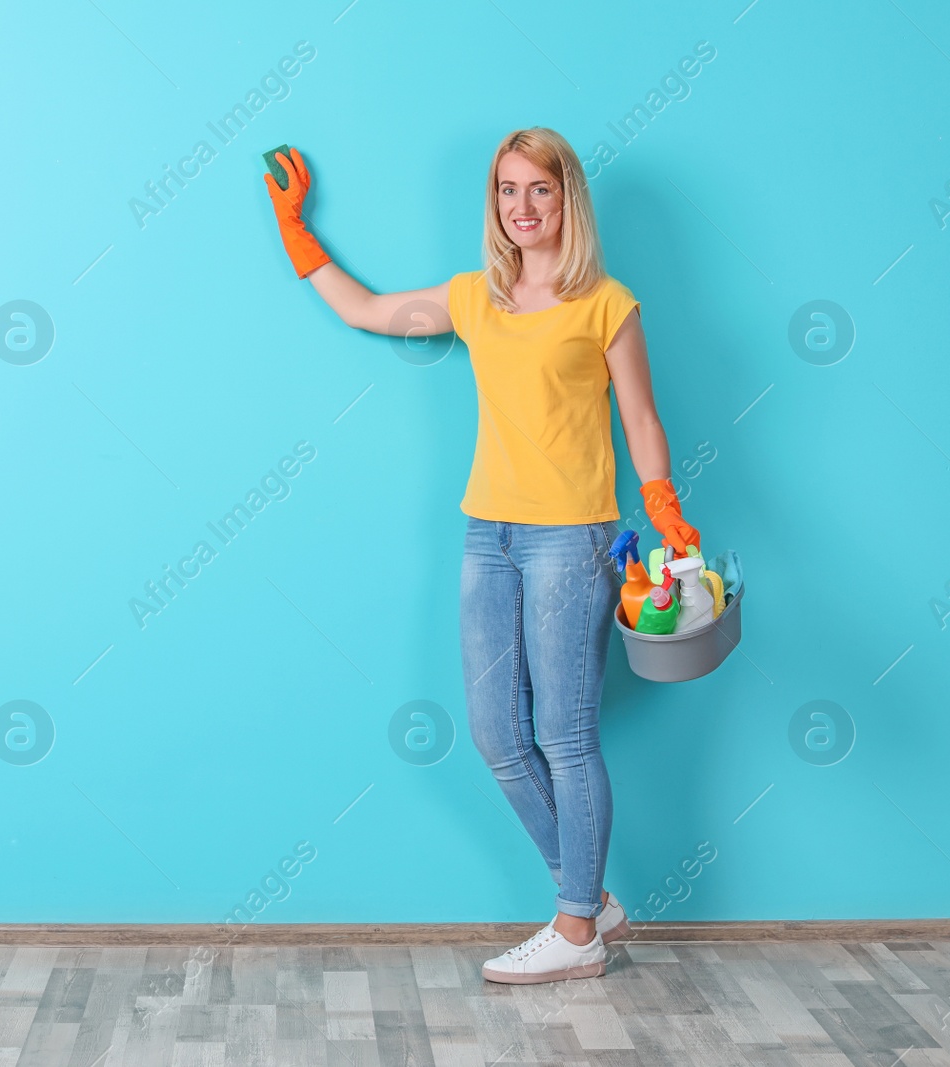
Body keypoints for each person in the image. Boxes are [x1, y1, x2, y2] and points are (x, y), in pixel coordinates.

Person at [263, 128, 699, 984]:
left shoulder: (608, 303)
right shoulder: (476, 298)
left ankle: (577, 932)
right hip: (487, 536)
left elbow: (641, 419)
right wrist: (298, 234)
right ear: (493, 203)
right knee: (499, 734)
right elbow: (370, 311)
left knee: (564, 736)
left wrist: (664, 505)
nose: (523, 207)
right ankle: (592, 901)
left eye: (540, 189)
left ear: (568, 199)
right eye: (507, 190)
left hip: (572, 539)